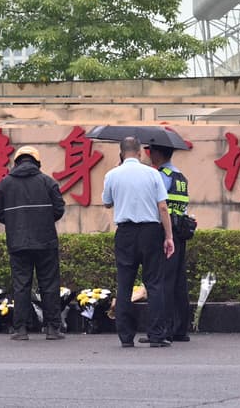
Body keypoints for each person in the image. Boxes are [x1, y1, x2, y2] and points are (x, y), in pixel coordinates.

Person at [102, 137, 174, 348]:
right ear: (141, 152)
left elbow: (107, 202)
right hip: (151, 231)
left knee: (124, 284)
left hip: (125, 233)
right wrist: (168, 236)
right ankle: (156, 335)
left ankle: (125, 337)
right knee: (154, 284)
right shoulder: (152, 174)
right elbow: (162, 207)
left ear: (122, 153)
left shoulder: (112, 175)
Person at [0, 146, 66, 341]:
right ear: (37, 162)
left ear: (16, 162)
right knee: (49, 284)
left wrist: (14, 222)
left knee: (21, 285)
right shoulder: (48, 182)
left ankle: (21, 329)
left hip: (18, 241)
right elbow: (59, 209)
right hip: (46, 241)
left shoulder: (5, 184)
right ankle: (52, 329)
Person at [148, 144, 191, 343]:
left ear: (158, 153)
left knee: (163, 281)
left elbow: (160, 205)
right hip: (181, 231)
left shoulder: (161, 175)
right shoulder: (180, 176)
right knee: (178, 283)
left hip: (167, 233)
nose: (149, 155)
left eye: (151, 151)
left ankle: (163, 329)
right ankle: (180, 328)